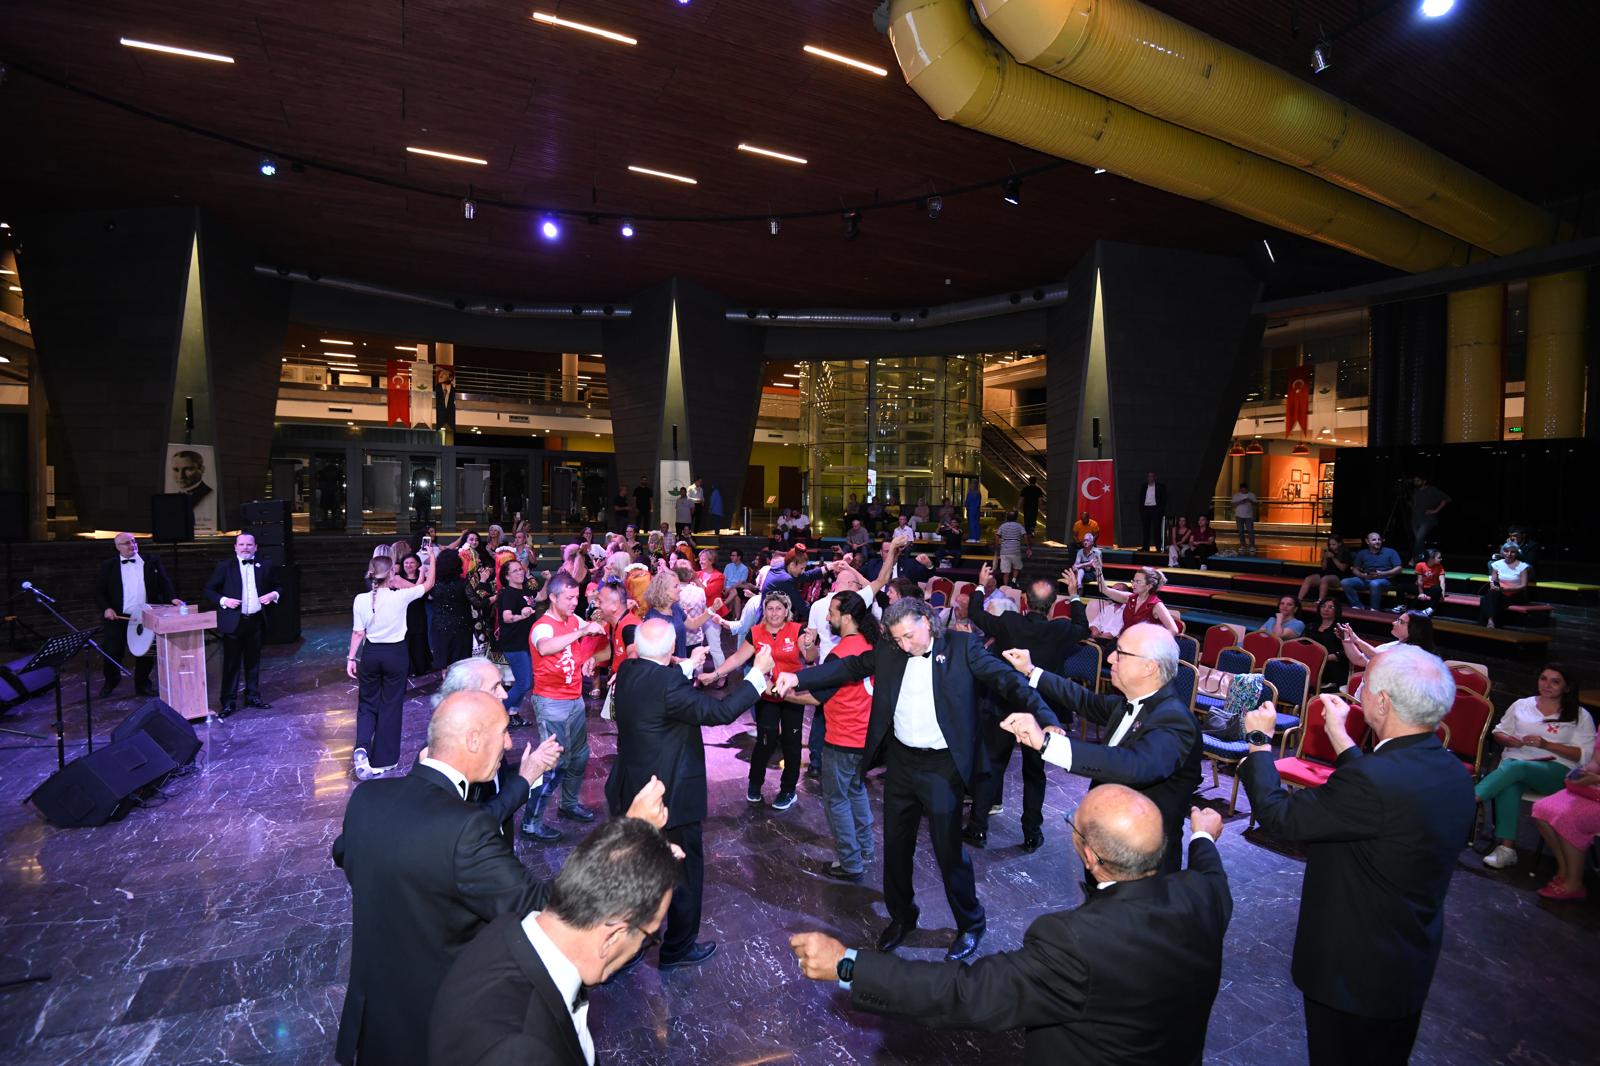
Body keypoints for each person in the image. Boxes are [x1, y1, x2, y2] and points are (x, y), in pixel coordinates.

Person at [335, 689, 666, 1066]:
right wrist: (630, 834)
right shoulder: (464, 829)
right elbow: (550, 908)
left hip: (373, 1024)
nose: (509, 743)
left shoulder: (367, 799)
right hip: (435, 1028)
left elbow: (348, 855)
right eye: (505, 732)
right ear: (474, 739)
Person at [789, 788, 1232, 1066]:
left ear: (1090, 856)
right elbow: (1209, 867)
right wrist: (1202, 835)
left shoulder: (1075, 942)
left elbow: (965, 994)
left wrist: (848, 965)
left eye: (1074, 826)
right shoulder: (1204, 895)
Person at [774, 597, 1057, 963]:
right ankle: (902, 917)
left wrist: (1048, 719)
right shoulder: (891, 650)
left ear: (927, 620)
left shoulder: (962, 647)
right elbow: (849, 667)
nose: (905, 646)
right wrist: (798, 677)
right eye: (898, 639)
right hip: (902, 763)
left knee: (948, 850)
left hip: (942, 766)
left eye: (909, 636)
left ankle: (971, 923)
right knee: (895, 846)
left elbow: (1009, 682)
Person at [1239, 646, 1475, 1066]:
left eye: (1364, 684)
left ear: (1382, 702)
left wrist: (1259, 743)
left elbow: (1281, 817)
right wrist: (1342, 739)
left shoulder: (1374, 781)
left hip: (1353, 972)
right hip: (1406, 960)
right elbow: (1384, 796)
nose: (1358, 691)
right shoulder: (1451, 770)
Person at [427, 817, 680, 1066]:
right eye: (649, 938)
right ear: (612, 937)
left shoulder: (504, 929)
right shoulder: (520, 1052)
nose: (642, 948)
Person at [605, 619, 775, 968]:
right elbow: (720, 712)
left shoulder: (628, 670)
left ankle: (627, 947)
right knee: (683, 873)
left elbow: (659, 684)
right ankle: (677, 949)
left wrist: (687, 666)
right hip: (671, 797)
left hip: (633, 789)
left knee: (638, 871)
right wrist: (757, 674)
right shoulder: (669, 685)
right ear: (670, 649)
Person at [1001, 622, 1203, 875]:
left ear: (1149, 667)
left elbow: (1133, 764)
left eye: (1121, 653)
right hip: (1107, 849)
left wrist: (1046, 743)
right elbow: (1084, 700)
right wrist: (1030, 670)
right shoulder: (1131, 703)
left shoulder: (1175, 720)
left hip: (1141, 864)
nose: (1110, 658)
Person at [963, 565, 1090, 851]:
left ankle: (977, 828)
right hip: (1042, 710)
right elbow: (1083, 628)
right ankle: (1032, 834)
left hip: (1005, 705)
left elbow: (976, 614)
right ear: (1053, 604)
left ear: (1024, 601)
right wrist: (1075, 594)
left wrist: (981, 585)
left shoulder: (1010, 622)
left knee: (992, 766)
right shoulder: (1061, 629)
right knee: (1035, 773)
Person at [794, 590, 880, 882]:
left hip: (843, 737)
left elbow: (817, 697)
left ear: (846, 617)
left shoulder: (841, 654)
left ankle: (850, 862)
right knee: (856, 790)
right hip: (866, 737)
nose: (828, 617)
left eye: (832, 612)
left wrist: (781, 693)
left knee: (836, 800)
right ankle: (866, 848)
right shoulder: (871, 643)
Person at [1474, 663, 1595, 870]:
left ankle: (1469, 800)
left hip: (1556, 769)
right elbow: (1499, 732)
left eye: (1555, 682)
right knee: (1511, 783)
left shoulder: (1580, 715)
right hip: (1516, 765)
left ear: (1566, 687)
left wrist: (1547, 745)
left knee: (1515, 768)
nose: (1547, 685)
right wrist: (1509, 740)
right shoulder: (1521, 705)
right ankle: (1507, 849)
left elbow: (1584, 755)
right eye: (1543, 679)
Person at [521, 573, 609, 843]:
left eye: (576, 597)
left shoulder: (573, 619)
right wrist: (581, 632)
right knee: (554, 762)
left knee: (579, 756)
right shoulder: (543, 626)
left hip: (574, 699)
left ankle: (568, 804)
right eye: (569, 598)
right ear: (553, 597)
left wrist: (590, 657)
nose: (574, 602)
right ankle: (531, 823)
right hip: (551, 702)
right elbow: (546, 648)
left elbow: (595, 629)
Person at [429, 657, 559, 835]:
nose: (504, 695)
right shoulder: (446, 752)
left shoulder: (485, 730)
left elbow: (496, 781)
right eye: (495, 687)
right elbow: (472, 826)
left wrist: (533, 766)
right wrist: (525, 778)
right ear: (467, 695)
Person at [708, 591, 808, 809]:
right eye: (770, 608)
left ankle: (788, 790)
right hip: (767, 695)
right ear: (764, 611)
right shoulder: (756, 632)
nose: (774, 613)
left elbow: (810, 657)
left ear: (786, 611)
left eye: (779, 608)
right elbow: (737, 658)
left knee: (792, 743)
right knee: (765, 740)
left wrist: (809, 644)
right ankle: (755, 785)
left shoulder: (797, 630)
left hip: (793, 696)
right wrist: (715, 674)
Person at [347, 551, 439, 780]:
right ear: (391, 574)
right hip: (395, 654)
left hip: (370, 654)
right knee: (390, 705)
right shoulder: (400, 597)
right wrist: (431, 558)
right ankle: (382, 761)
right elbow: (428, 584)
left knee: (367, 704)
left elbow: (358, 633)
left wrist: (350, 658)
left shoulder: (360, 599)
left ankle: (362, 747)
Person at [93, 531, 182, 698]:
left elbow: (164, 582)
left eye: (133, 541)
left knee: (146, 651)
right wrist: (106, 608)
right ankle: (111, 680)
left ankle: (142, 685)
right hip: (118, 616)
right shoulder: (109, 565)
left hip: (145, 615)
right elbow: (99, 591)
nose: (132, 545)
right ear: (117, 547)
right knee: (112, 650)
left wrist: (172, 598)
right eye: (127, 543)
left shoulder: (151, 561)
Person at [204, 532, 282, 717]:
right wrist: (224, 600)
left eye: (249, 545)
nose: (245, 548)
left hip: (255, 622)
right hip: (234, 623)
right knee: (231, 664)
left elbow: (278, 586)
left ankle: (252, 696)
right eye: (241, 544)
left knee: (253, 662)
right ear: (235, 547)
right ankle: (228, 702)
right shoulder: (225, 566)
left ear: (256, 547)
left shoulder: (265, 566)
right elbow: (209, 589)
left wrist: (273, 595)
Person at [1531, 745, 1600, 901]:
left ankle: (1574, 883)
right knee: (1541, 809)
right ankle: (1565, 869)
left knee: (1569, 818)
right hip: (1594, 791)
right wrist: (1584, 773)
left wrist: (1596, 779)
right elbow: (1597, 761)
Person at [496, 559, 540, 726]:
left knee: (526, 682)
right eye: (515, 571)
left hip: (526, 642)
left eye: (520, 569)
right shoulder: (508, 594)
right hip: (514, 644)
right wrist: (521, 616)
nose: (520, 572)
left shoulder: (525, 590)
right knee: (525, 682)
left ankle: (512, 713)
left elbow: (540, 596)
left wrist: (549, 580)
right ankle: (498, 712)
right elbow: (506, 617)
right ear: (507, 576)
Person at [1339, 609, 1434, 674]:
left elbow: (1381, 658)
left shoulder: (1416, 654)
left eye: (1400, 621)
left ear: (1414, 629)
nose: (1394, 623)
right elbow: (1359, 660)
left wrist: (1356, 639)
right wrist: (1347, 641)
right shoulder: (1392, 645)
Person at [1097, 566, 1181, 637]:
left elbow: (1173, 630)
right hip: (1125, 641)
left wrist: (1153, 642)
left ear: (1149, 586)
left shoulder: (1157, 605)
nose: (1133, 584)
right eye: (1133, 581)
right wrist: (1098, 569)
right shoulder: (1129, 598)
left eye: (1138, 582)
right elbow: (1104, 589)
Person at [428, 550, 476, 670]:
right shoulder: (463, 584)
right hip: (461, 626)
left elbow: (427, 596)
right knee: (461, 664)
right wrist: (494, 597)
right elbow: (477, 602)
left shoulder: (434, 584)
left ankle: (446, 681)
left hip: (440, 627)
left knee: (444, 663)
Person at [1341, 531, 1403, 610]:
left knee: (1374, 583)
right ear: (1367, 541)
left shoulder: (1390, 552)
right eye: (1374, 540)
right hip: (1367, 578)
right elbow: (1355, 569)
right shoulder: (1362, 553)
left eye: (1379, 539)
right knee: (1345, 582)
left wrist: (1383, 573)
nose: (1377, 541)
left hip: (1385, 580)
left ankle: (1374, 609)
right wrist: (1363, 575)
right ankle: (1357, 605)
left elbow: (1399, 568)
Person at [1479, 542, 1531, 628]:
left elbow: (1523, 586)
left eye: (1512, 552)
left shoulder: (1522, 566)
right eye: (1506, 551)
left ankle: (1489, 621)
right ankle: (1491, 620)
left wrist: (1507, 589)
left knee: (1488, 599)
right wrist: (1494, 586)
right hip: (1500, 593)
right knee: (1492, 595)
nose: (1509, 554)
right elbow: (1493, 581)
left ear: (1516, 553)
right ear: (1502, 552)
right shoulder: (1497, 564)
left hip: (1516, 595)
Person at [1304, 598, 1350, 689]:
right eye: (1323, 606)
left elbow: (1347, 652)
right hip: (1311, 662)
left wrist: (1326, 658)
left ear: (1337, 610)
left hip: (1331, 664)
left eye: (1331, 607)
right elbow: (1303, 646)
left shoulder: (1342, 629)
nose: (1326, 609)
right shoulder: (1311, 627)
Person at [1297, 535, 1351, 605]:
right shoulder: (1328, 551)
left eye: (1333, 544)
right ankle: (1298, 600)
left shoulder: (1345, 553)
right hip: (1326, 573)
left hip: (1339, 576)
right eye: (1330, 544)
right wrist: (1325, 558)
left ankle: (1320, 601)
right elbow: (1323, 568)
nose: (1331, 546)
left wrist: (1333, 557)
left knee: (1325, 579)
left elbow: (1342, 568)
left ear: (1340, 543)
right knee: (1308, 579)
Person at [1409, 475, 1450, 561]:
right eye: (1414, 481)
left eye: (1418, 480)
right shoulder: (1414, 491)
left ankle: (1415, 559)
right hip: (1415, 519)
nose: (1415, 482)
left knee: (1419, 538)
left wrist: (1435, 510)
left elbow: (1446, 499)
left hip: (1427, 519)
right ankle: (1425, 559)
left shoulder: (1431, 490)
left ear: (1424, 481)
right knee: (1419, 540)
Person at [993, 510, 1030, 585]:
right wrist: (1028, 548)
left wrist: (996, 549)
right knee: (1017, 567)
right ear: (1016, 518)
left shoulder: (1002, 526)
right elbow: (1025, 536)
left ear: (1007, 517)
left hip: (1004, 552)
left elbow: (997, 537)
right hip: (1015, 551)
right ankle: (1013, 580)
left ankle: (1005, 586)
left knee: (1005, 572)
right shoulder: (1019, 526)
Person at [1407, 547, 1447, 614]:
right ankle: (1402, 606)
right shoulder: (1420, 565)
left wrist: (1442, 595)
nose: (1441, 559)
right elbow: (1419, 581)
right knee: (1400, 587)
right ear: (1431, 559)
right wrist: (1421, 593)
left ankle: (1431, 609)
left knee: (1437, 589)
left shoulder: (1440, 567)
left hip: (1431, 589)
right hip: (1422, 588)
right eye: (1439, 557)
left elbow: (1442, 582)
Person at [1135, 471, 1166, 552]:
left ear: (1155, 477)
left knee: (1157, 529)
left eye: (1152, 476)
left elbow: (1164, 499)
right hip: (1145, 509)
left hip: (1155, 509)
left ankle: (1158, 547)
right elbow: (1141, 498)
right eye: (1149, 476)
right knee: (1146, 529)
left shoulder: (1160, 486)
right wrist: (1141, 509)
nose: (1150, 478)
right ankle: (1145, 547)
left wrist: (1160, 510)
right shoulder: (1144, 486)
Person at [1231, 482, 1259, 554]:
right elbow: (1233, 504)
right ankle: (1243, 545)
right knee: (1240, 531)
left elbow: (1256, 504)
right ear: (1240, 489)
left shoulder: (1251, 495)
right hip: (1239, 516)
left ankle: (1252, 546)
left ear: (1247, 489)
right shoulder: (1236, 495)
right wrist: (1240, 502)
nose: (1243, 491)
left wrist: (1250, 501)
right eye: (1242, 490)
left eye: (1245, 490)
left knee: (1250, 531)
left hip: (1248, 516)